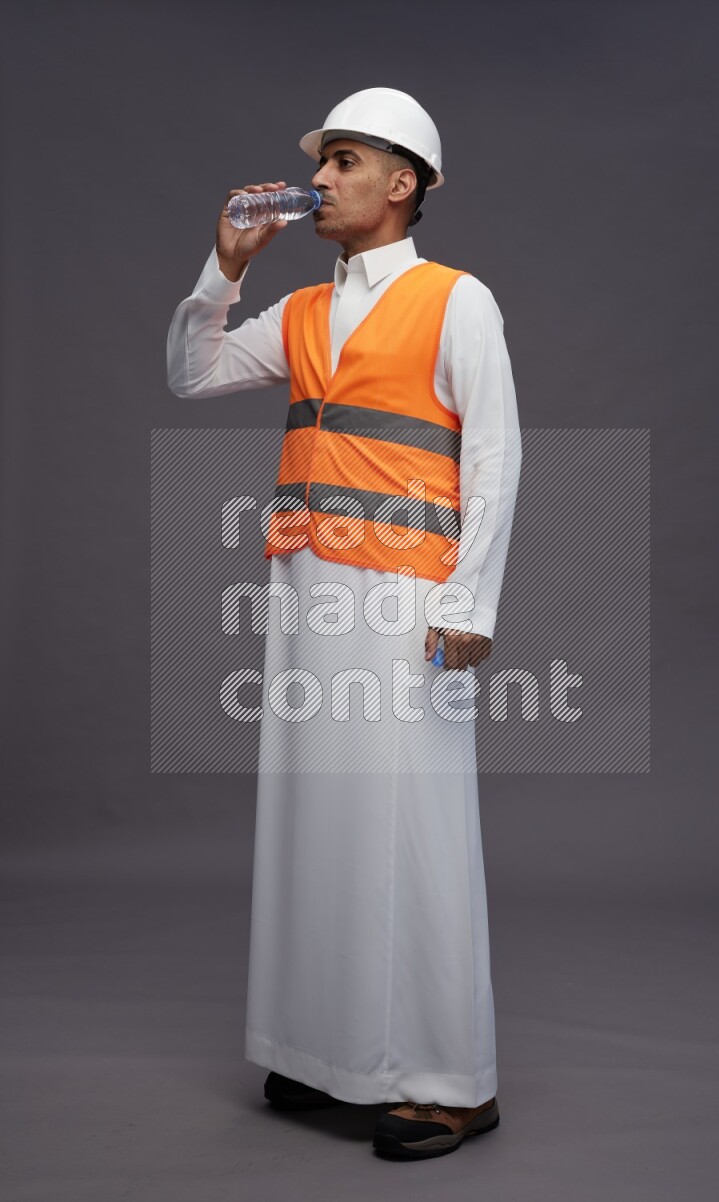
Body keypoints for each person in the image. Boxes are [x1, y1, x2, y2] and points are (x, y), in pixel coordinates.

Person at [166, 87, 522, 1160]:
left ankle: (450, 1080)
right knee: (316, 816)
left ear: (402, 182)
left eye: (345, 162)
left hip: (413, 600)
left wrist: (470, 604)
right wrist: (223, 269)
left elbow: (495, 457)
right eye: (321, 165)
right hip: (310, 595)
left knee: (414, 828)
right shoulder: (302, 312)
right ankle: (330, 1053)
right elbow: (190, 373)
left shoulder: (456, 300)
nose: (319, 181)